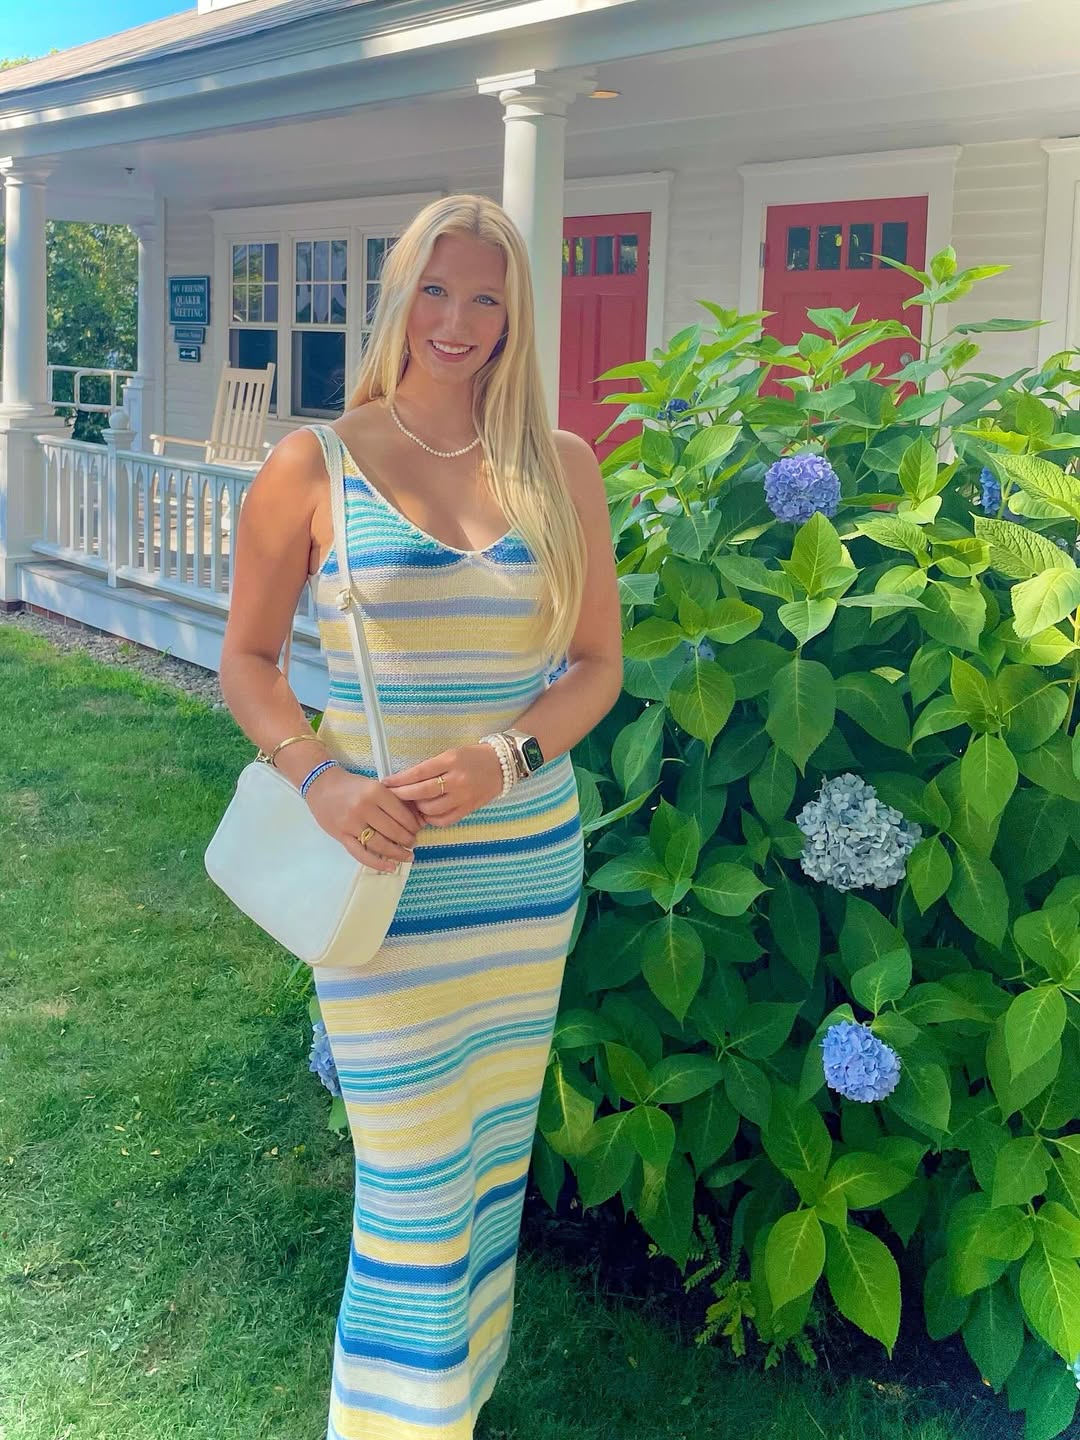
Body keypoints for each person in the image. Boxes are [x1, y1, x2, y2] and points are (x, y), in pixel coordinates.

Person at [218, 193, 623, 1439]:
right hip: (382, 875)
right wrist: (320, 779)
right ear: (399, 298)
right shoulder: (314, 463)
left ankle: (459, 1393)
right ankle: (396, 1419)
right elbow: (248, 662)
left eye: (486, 297)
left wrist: (508, 756)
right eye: (435, 290)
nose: (458, 320)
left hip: (521, 873)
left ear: (515, 315)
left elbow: (597, 667)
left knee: (492, 1156)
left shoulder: (562, 465)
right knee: (410, 1175)